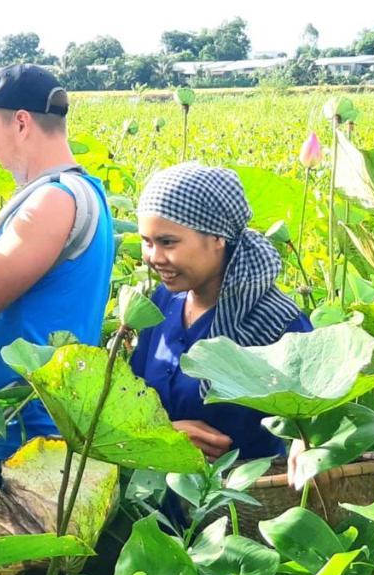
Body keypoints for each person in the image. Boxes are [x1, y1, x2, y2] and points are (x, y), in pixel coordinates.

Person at [0, 65, 116, 477]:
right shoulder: (84, 192)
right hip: (22, 429)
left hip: (23, 437)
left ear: (21, 122)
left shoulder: (54, 201)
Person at [130, 163, 312, 460]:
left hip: (253, 498)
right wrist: (164, 435)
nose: (154, 257)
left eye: (167, 242)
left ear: (217, 238)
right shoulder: (162, 302)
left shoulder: (277, 321)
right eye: (146, 242)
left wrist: (306, 446)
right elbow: (129, 400)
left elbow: (320, 417)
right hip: (152, 496)